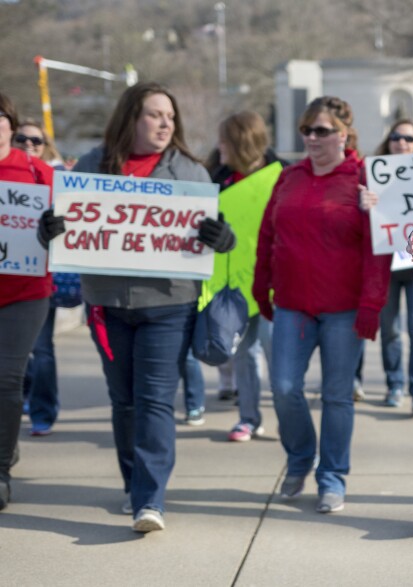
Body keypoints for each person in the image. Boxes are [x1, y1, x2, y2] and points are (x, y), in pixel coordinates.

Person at [37, 82, 236, 532]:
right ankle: (135, 485)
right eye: (154, 114)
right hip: (107, 305)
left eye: (170, 115)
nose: (165, 123)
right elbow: (65, 231)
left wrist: (223, 240)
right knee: (124, 401)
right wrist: (47, 230)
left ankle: (151, 500)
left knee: (154, 402)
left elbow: (218, 236)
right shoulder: (92, 166)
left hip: (169, 304)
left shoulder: (191, 173)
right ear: (131, 118)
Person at [254, 96, 390, 514]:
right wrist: (262, 288)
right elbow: (266, 235)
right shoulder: (289, 177)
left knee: (337, 396)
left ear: (343, 134)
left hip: (343, 309)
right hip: (293, 303)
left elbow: (379, 250)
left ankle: (332, 476)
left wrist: (372, 305)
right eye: (307, 131)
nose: (312, 138)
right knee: (284, 388)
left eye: (322, 131)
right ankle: (300, 458)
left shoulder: (366, 180)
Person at [210, 111, 286, 442]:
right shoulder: (219, 179)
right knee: (243, 353)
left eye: (224, 139)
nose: (219, 146)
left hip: (275, 285)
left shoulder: (282, 175)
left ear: (240, 141)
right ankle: (249, 418)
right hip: (237, 285)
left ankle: (288, 420)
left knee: (278, 358)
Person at [0, 93, 55, 511]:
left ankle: (0, 469)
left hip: (25, 293)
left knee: (7, 377)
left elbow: (74, 229)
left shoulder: (38, 174)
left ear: (10, 125)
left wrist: (55, 229)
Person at [359, 119, 413, 412]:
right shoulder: (373, 174)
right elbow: (361, 222)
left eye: (409, 138)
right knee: (389, 329)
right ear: (388, 141)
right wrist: (364, 204)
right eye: (396, 137)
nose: (402, 143)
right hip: (384, 265)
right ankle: (394, 385)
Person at [15, 119, 69, 437]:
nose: (29, 144)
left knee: (42, 349)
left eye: (37, 140)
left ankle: (43, 411)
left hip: (41, 279)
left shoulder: (57, 179)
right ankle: (19, 398)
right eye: (22, 138)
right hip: (7, 278)